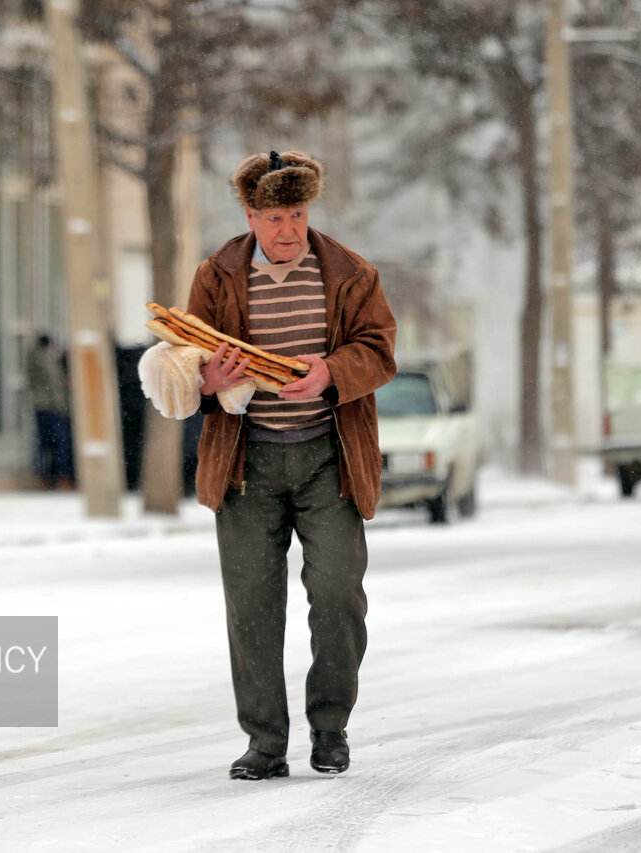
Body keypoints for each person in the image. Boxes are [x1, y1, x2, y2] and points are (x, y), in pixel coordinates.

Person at [186, 150, 396, 779]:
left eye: (297, 214)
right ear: (251, 216)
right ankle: (264, 742)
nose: (288, 229)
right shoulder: (218, 275)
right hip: (244, 461)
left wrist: (332, 372)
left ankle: (330, 728)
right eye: (274, 217)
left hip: (329, 456)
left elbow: (380, 351)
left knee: (337, 596)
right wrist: (206, 377)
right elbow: (181, 354)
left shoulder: (351, 274)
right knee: (251, 605)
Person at [26, 334, 73, 489]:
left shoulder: (40, 358)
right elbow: (53, 385)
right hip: (50, 407)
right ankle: (58, 478)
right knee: (57, 442)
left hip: (46, 406)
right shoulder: (44, 359)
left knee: (47, 443)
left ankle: (48, 477)